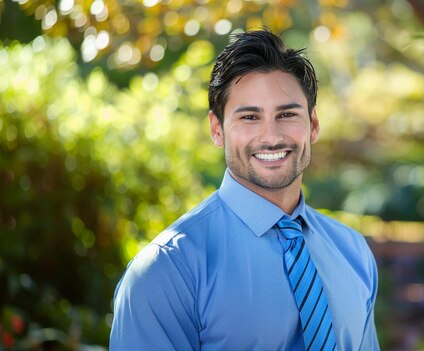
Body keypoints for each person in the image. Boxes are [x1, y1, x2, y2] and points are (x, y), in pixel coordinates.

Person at [110, 29, 380, 351]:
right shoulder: (166, 271)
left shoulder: (353, 253)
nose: (271, 136)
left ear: (314, 124)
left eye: (287, 114)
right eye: (249, 116)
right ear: (217, 129)